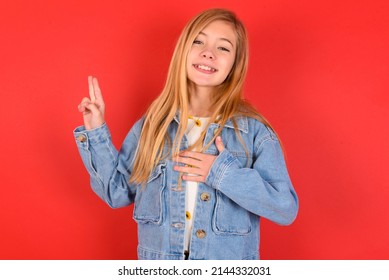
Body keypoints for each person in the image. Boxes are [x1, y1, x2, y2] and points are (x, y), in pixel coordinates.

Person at [74, 8, 298, 260]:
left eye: (223, 48)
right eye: (198, 41)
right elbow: (116, 193)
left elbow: (284, 208)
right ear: (183, 51)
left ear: (235, 63)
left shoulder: (254, 132)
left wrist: (222, 174)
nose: (208, 52)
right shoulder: (153, 126)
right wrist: (95, 131)